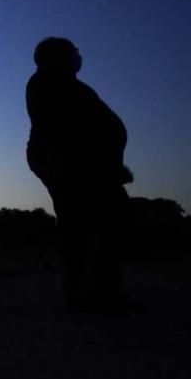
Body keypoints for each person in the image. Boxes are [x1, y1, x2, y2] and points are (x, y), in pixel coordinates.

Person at [26, 37, 135, 313]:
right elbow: (67, 131)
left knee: (90, 223)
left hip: (80, 164)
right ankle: (97, 296)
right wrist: (101, 166)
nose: (78, 56)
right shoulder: (50, 84)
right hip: (71, 164)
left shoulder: (61, 84)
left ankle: (91, 293)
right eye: (74, 53)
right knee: (92, 223)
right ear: (60, 57)